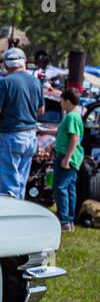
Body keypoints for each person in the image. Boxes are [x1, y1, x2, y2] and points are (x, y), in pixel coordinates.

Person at [0, 47, 44, 197]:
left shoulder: (4, 83)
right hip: (30, 137)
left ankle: (8, 217)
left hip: (11, 137)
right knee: (20, 183)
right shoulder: (36, 82)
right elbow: (41, 110)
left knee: (7, 187)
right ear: (24, 62)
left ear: (5, 65)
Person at [53, 88, 83, 232]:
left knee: (60, 188)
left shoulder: (72, 117)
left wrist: (67, 158)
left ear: (67, 101)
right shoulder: (73, 116)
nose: (60, 103)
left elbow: (74, 138)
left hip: (68, 157)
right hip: (71, 158)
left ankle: (64, 220)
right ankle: (69, 220)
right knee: (70, 188)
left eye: (61, 100)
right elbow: (62, 132)